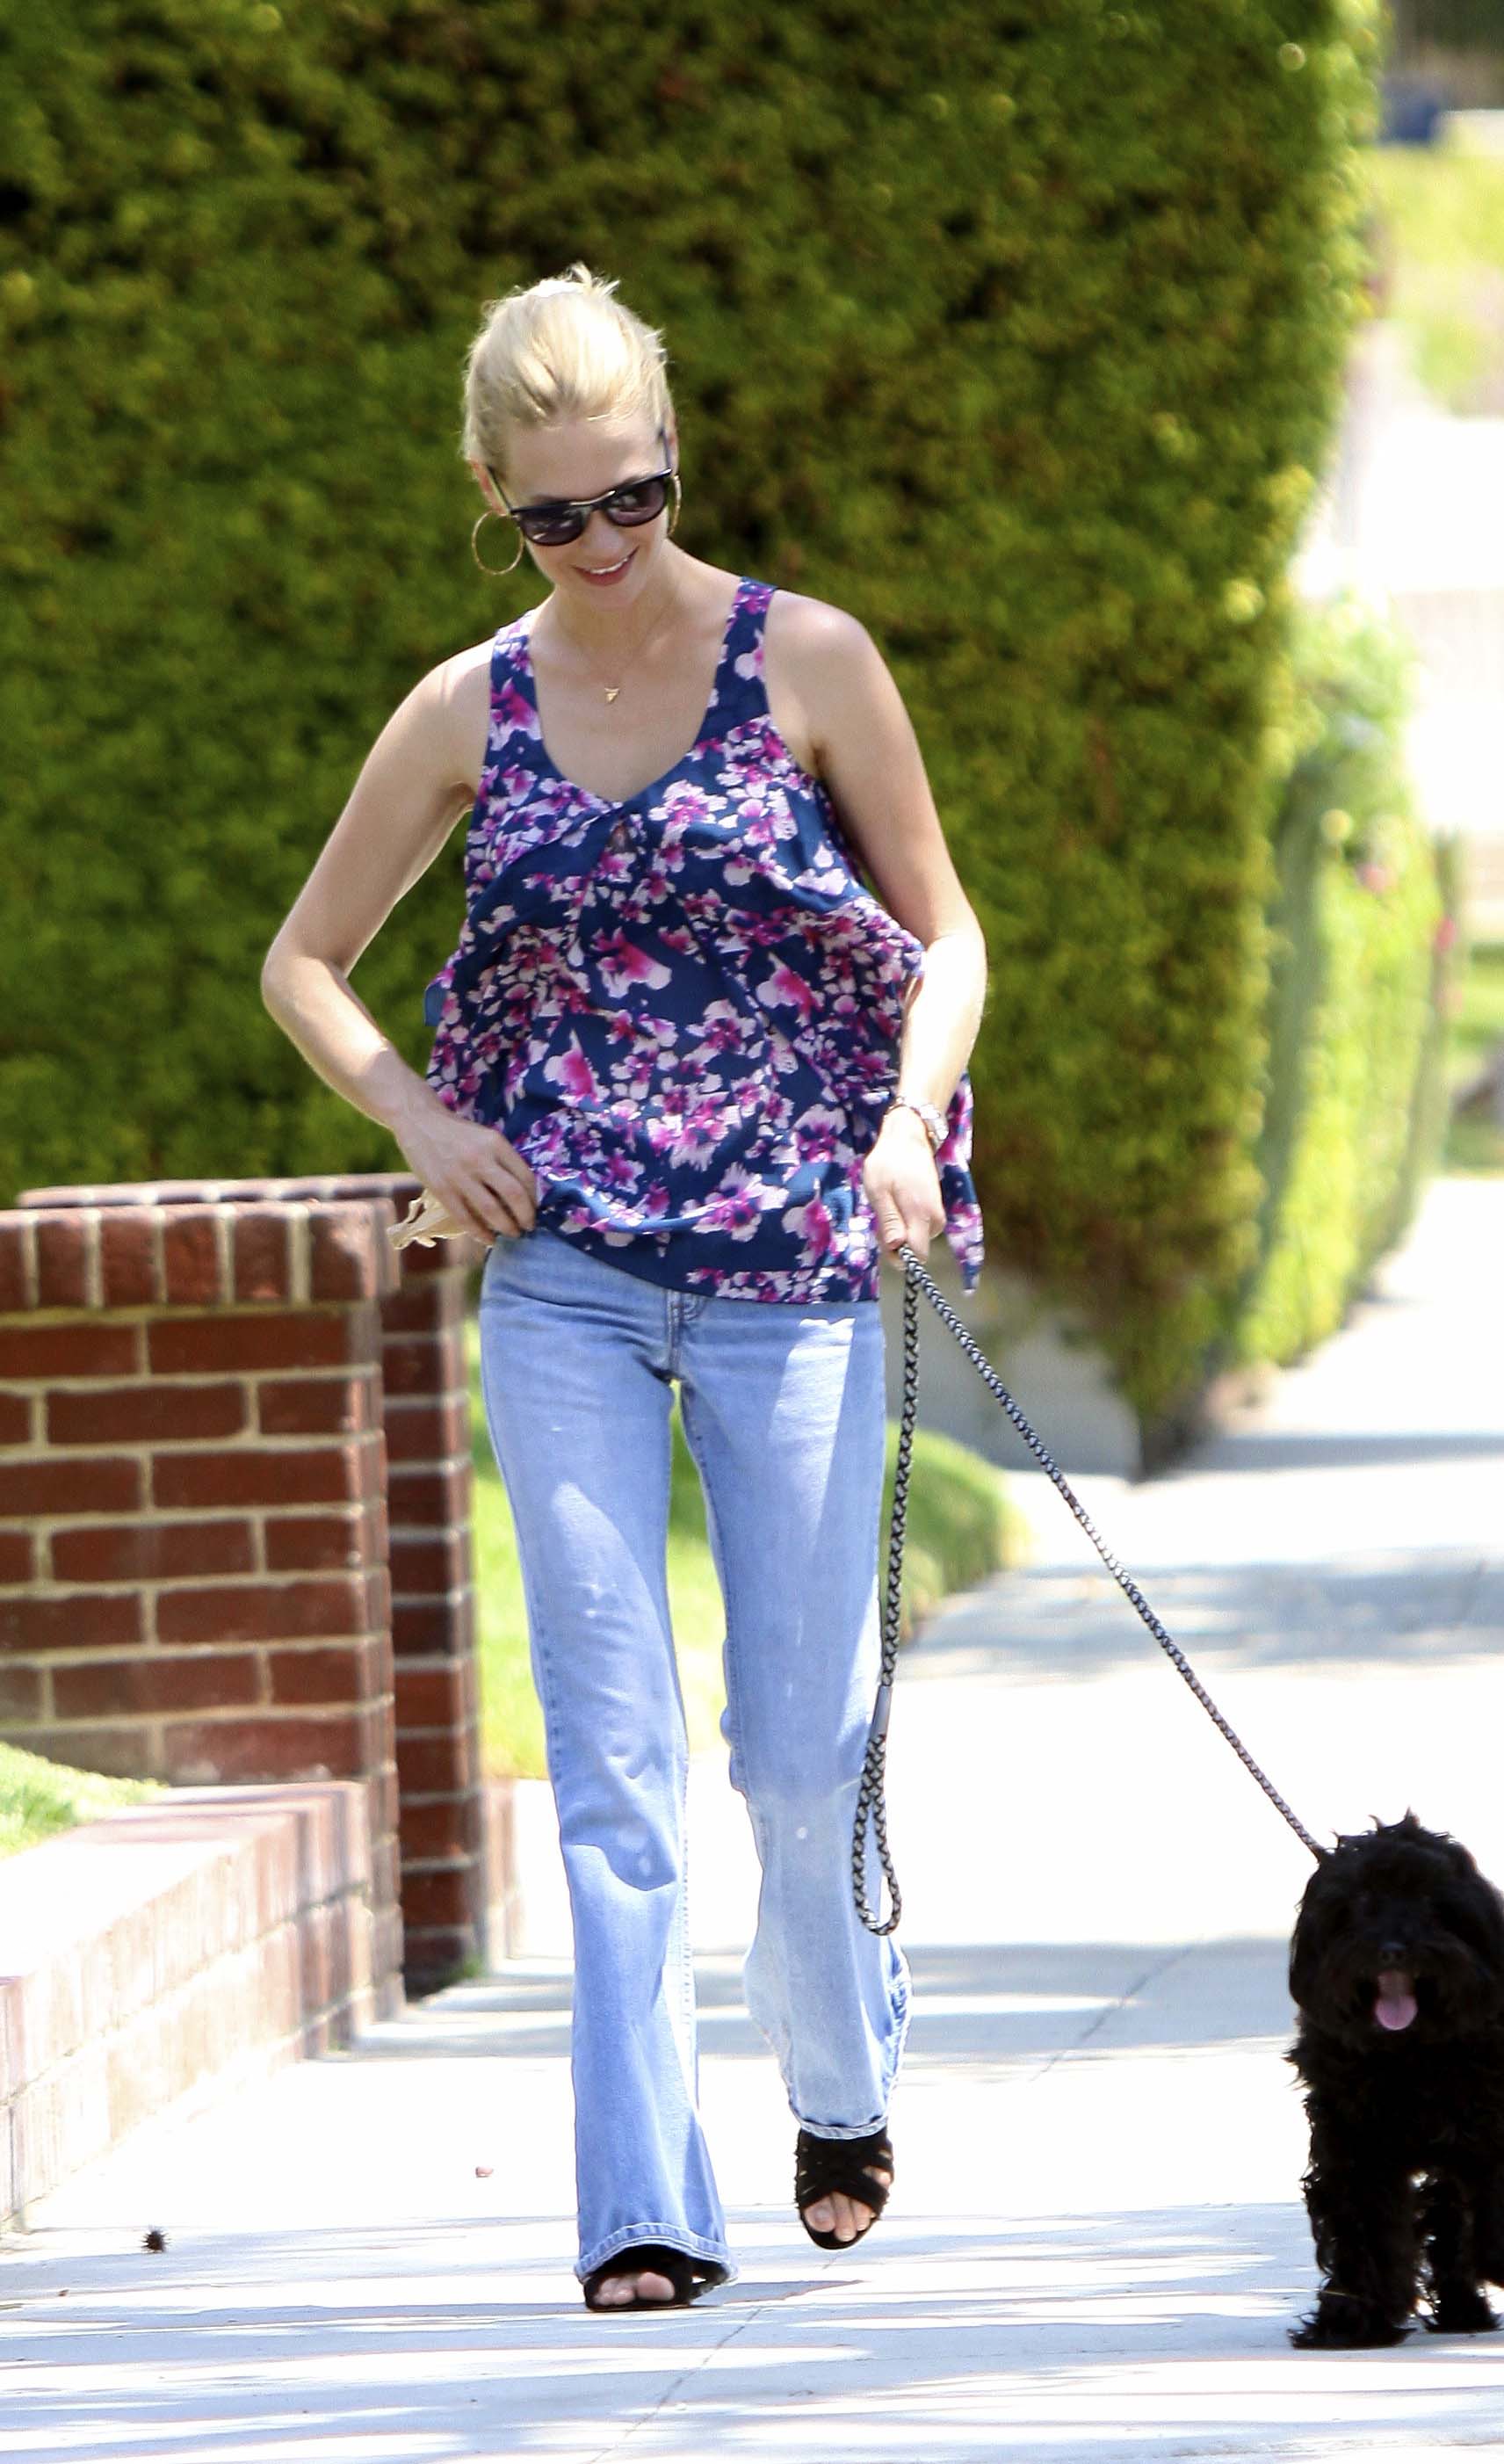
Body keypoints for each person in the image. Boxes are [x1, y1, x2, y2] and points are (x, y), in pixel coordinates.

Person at [260, 263, 988, 2311]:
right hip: (564, 1276)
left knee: (799, 1748)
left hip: (794, 1266)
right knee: (612, 1764)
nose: (600, 544)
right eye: (555, 515)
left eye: (634, 496)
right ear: (493, 498)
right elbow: (301, 960)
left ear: (673, 455)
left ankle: (839, 2076)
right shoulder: (465, 708)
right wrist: (423, 1121)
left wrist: (903, 1123)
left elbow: (948, 939)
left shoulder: (808, 660)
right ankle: (642, 2203)